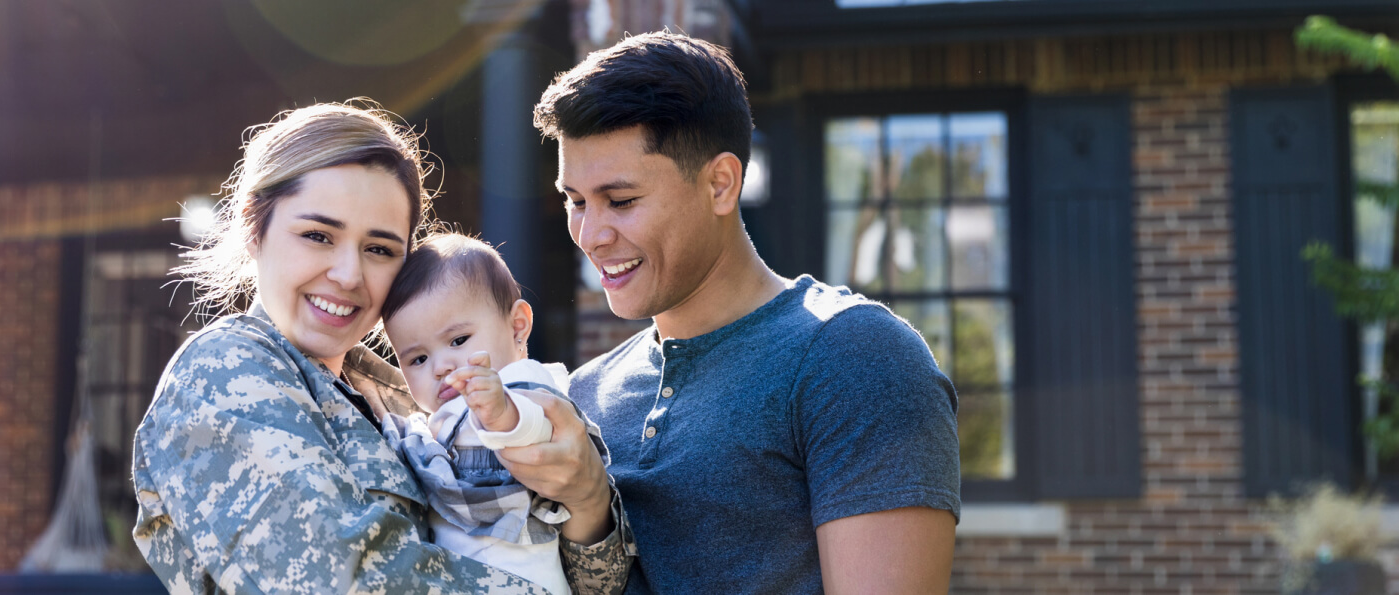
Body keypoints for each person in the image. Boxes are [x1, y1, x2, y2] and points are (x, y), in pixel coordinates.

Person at [129, 102, 631, 594]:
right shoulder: (224, 371)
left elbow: (597, 581)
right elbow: (343, 582)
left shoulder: (405, 395)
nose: (349, 275)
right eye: (318, 235)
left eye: (379, 249)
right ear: (253, 229)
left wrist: (588, 499)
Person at [533, 32, 961, 593]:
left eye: (621, 201)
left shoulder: (854, 358)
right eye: (576, 201)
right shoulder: (585, 395)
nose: (590, 235)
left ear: (720, 183)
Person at [378, 232, 612, 595]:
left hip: (525, 580)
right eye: (418, 359)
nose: (440, 366)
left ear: (517, 326)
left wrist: (502, 412)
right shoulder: (431, 422)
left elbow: (536, 427)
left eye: (458, 341)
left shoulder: (519, 382)